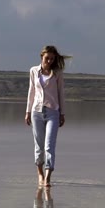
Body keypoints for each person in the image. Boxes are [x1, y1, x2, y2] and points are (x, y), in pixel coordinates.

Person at [25, 45, 68, 187]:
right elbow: (31, 92)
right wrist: (28, 111)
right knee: (39, 145)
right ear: (41, 57)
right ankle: (40, 173)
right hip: (36, 112)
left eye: (51, 59)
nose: (49, 61)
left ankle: (48, 176)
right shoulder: (33, 71)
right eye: (46, 58)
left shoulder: (57, 73)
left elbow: (61, 93)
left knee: (49, 145)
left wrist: (62, 113)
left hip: (53, 112)